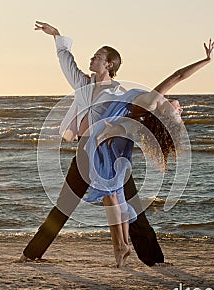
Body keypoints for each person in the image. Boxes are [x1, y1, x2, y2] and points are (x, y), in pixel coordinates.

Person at [17, 21, 165, 266]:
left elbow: (143, 107)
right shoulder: (83, 85)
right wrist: (56, 36)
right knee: (64, 206)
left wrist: (168, 106)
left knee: (134, 207)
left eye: (98, 57)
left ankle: (154, 259)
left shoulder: (120, 94)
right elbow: (67, 63)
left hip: (110, 158)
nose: (92, 59)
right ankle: (31, 254)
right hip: (84, 153)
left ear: (109, 64)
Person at [81, 39, 214, 267]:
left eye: (178, 110)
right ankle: (122, 246)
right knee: (113, 196)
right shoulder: (147, 110)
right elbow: (124, 121)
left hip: (105, 144)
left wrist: (206, 60)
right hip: (111, 143)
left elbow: (178, 76)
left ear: (166, 112)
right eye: (180, 108)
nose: (179, 106)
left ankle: (121, 247)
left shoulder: (153, 102)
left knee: (111, 196)